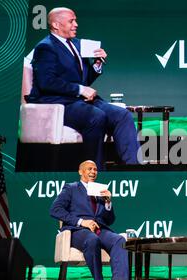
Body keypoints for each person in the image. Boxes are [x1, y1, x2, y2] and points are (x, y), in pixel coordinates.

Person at [25, 7, 140, 170]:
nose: (76, 24)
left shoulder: (77, 44)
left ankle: (133, 170)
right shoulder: (45, 47)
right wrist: (80, 89)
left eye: (75, 20)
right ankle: (94, 172)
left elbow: (83, 79)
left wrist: (97, 65)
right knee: (96, 116)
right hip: (59, 103)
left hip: (81, 101)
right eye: (71, 21)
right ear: (56, 25)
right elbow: (46, 82)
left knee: (122, 115)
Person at [50, 160, 129, 280]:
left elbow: (109, 220)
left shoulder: (100, 191)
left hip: (99, 229)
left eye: (95, 169)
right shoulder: (71, 188)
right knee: (92, 239)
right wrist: (81, 222)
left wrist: (108, 203)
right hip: (78, 230)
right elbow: (55, 210)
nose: (93, 172)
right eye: (89, 169)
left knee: (119, 240)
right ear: (80, 171)